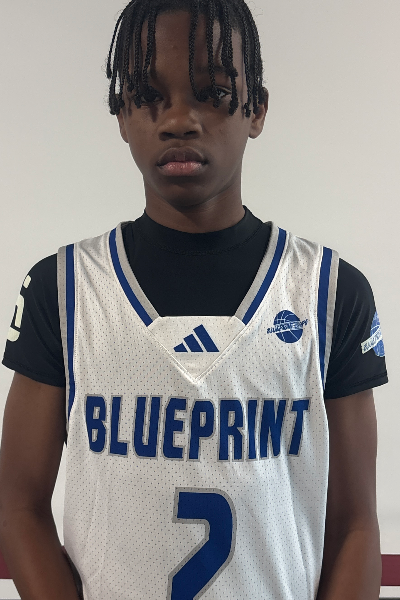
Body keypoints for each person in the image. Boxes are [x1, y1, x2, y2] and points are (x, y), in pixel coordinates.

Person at [0, 0, 388, 599]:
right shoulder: (64, 288)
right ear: (121, 114)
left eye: (213, 93)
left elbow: (356, 522)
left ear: (257, 109)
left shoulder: (330, 292)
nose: (179, 119)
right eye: (149, 95)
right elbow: (19, 503)